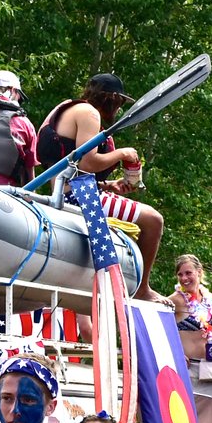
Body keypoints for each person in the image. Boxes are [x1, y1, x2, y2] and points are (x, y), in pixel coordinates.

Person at [33, 74, 165, 297]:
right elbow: (88, 160)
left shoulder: (67, 107)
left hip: (66, 189)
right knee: (153, 220)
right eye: (121, 102)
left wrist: (108, 185)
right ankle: (142, 289)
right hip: (78, 196)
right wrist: (122, 153)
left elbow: (73, 166)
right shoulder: (89, 113)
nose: (120, 109)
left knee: (147, 218)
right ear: (112, 98)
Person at [171, 255, 212, 363]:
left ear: (199, 272)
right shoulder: (176, 300)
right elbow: (158, 331)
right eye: (180, 274)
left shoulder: (211, 299)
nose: (184, 278)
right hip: (187, 369)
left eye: (188, 273)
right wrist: (175, 354)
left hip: (210, 367)